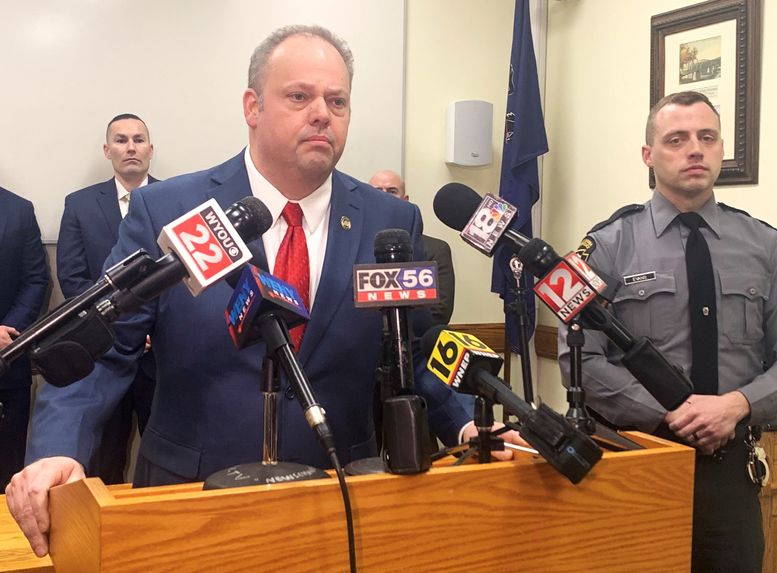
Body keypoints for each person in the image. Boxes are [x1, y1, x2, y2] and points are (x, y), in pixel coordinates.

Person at [6, 25, 525, 558]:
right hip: (191, 502)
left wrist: (468, 423)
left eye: (337, 100)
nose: (322, 112)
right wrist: (55, 452)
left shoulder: (389, 222)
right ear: (252, 106)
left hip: (341, 501)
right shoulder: (171, 211)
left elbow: (412, 352)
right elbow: (102, 350)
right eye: (299, 96)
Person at [558, 91, 777, 572]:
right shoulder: (606, 246)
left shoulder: (764, 245)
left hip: (731, 469)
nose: (695, 149)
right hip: (638, 462)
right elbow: (580, 358)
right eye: (677, 139)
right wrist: (672, 415)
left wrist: (737, 405)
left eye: (707, 137)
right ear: (648, 156)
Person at [56, 113, 158, 485]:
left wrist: (152, 328)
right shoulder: (79, 204)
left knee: (164, 459)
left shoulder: (175, 200)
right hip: (105, 350)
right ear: (107, 150)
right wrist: (118, 325)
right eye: (120, 140)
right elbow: (72, 278)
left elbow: (187, 274)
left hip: (161, 356)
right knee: (106, 461)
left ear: (151, 149)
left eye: (138, 139)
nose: (130, 147)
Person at [0, 187, 49, 489]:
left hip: (7, 362)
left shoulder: (19, 209)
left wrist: (8, 329)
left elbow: (35, 279)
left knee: (7, 472)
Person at [368, 169, 455, 325]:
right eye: (377, 192)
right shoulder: (355, 247)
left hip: (417, 342)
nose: (384, 197)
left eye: (392, 191)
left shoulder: (436, 249)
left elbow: (439, 312)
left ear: (405, 200)